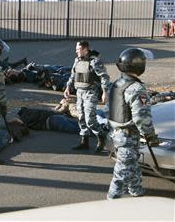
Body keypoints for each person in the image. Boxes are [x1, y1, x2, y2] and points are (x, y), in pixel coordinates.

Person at [107, 48, 159, 200]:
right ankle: (111, 201)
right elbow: (142, 118)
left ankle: (136, 190)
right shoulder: (136, 88)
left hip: (116, 134)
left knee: (132, 165)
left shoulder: (116, 84)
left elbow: (109, 110)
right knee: (121, 174)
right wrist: (150, 136)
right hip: (128, 137)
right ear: (138, 66)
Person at [64, 41, 110, 153]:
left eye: (78, 49)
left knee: (90, 119)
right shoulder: (77, 60)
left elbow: (104, 77)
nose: (76, 51)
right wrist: (67, 87)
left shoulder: (95, 61)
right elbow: (73, 75)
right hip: (79, 92)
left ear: (85, 49)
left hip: (91, 92)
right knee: (81, 117)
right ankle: (84, 141)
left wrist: (105, 92)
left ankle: (101, 137)